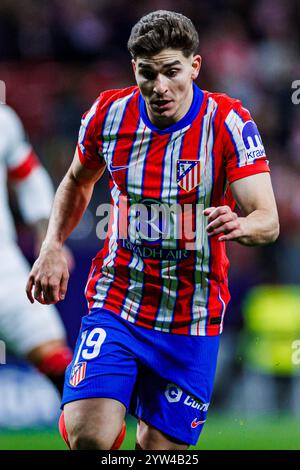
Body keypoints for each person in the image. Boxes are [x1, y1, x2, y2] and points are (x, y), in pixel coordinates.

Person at [26, 10, 279, 450]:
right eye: (148, 73)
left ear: (195, 66)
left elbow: (268, 219)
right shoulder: (108, 113)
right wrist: (52, 244)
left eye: (172, 71)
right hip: (120, 300)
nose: (160, 87)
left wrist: (240, 222)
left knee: (161, 451)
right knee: (90, 437)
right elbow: (76, 180)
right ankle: (102, 413)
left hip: (191, 315)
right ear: (134, 70)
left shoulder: (228, 122)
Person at [0, 103, 73, 395]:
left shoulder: (3, 121)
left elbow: (27, 176)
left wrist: (49, 240)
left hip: (3, 265)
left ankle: (91, 434)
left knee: (54, 354)